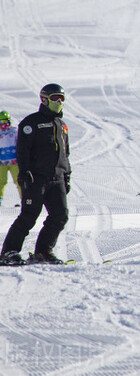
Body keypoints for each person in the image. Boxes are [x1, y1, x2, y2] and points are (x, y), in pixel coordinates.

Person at [1, 84, 72, 264]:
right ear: (44, 99)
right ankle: (9, 252)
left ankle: (43, 252)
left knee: (60, 216)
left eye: (61, 99)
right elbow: (22, 150)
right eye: (55, 98)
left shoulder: (62, 126)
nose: (59, 102)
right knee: (29, 215)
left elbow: (65, 153)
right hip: (35, 178)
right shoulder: (31, 123)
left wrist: (67, 175)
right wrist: (24, 172)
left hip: (57, 178)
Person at [0, 111, 18, 207]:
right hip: (1, 162)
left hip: (14, 161)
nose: (3, 125)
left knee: (18, 180)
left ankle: (24, 199)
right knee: (1, 181)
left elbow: (19, 144)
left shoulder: (14, 132)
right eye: (1, 122)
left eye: (5, 122)